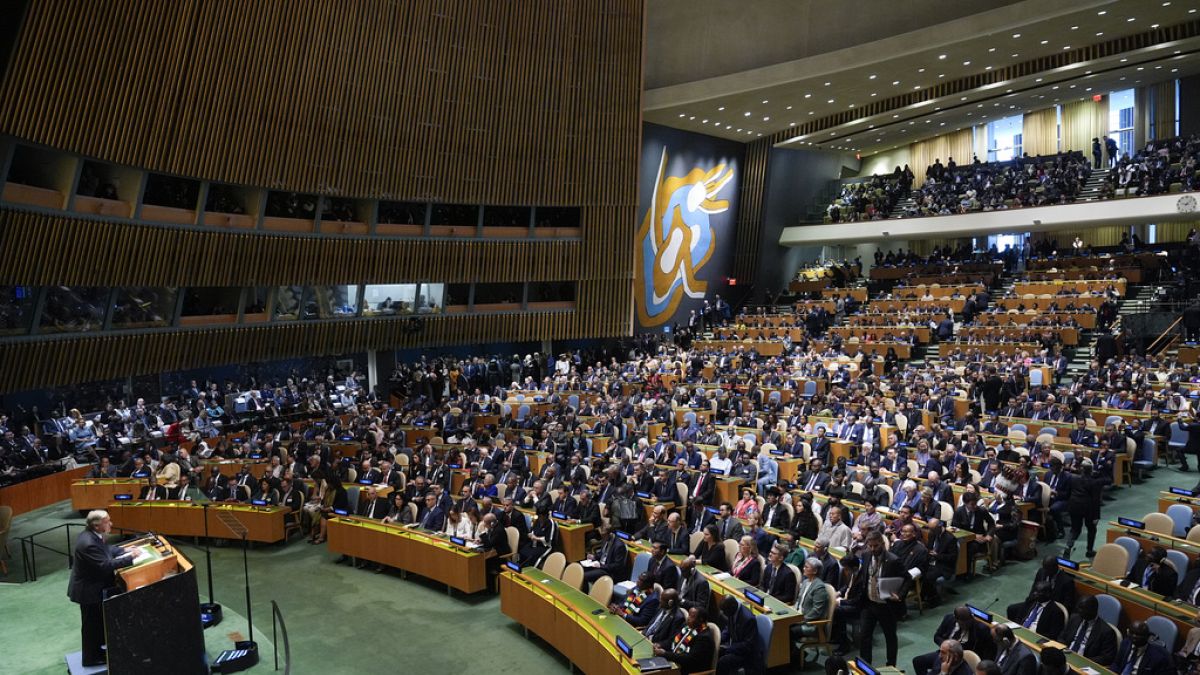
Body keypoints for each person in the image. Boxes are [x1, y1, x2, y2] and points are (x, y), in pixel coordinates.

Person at [67, 510, 137, 667]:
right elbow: (105, 566)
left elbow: (106, 550)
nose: (111, 524)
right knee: (91, 626)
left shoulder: (93, 536)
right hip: (88, 591)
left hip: (93, 587)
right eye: (107, 521)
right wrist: (131, 557)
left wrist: (125, 550)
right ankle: (90, 659)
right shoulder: (89, 543)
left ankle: (97, 652)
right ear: (97, 525)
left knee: (97, 623)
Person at [860, 530, 905, 666]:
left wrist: (901, 594)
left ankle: (891, 666)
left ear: (882, 544)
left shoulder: (893, 560)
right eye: (870, 546)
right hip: (869, 603)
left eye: (876, 546)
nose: (873, 549)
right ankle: (866, 666)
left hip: (886, 606)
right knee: (864, 637)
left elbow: (907, 578)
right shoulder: (866, 555)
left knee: (890, 637)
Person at [1057, 595, 1117, 666]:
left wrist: (1084, 661)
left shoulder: (1106, 631)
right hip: (1065, 657)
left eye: (1082, 608)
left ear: (1093, 610)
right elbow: (1061, 636)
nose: (1078, 610)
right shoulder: (1074, 618)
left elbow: (1106, 658)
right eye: (1078, 607)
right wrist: (1063, 648)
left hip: (1084, 664)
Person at [654, 606, 715, 675]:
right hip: (674, 661)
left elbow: (689, 659)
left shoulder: (704, 638)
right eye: (689, 615)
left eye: (692, 617)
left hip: (686, 670)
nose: (688, 618)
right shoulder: (686, 626)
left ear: (700, 619)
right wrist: (660, 645)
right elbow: (672, 640)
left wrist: (665, 654)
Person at [1064, 458, 1103, 558]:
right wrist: (1096, 516)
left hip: (1074, 506)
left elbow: (1068, 493)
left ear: (1081, 469)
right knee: (1091, 529)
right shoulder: (1095, 482)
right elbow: (1096, 500)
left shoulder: (1073, 478)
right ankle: (1089, 551)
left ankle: (1068, 546)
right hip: (1088, 508)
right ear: (1091, 470)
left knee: (1075, 529)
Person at [716, 596, 762, 675]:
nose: (723, 613)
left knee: (723, 662)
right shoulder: (732, 611)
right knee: (716, 652)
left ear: (733, 607)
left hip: (746, 654)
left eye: (725, 610)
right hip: (736, 646)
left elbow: (747, 645)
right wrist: (719, 639)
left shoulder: (748, 619)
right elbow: (728, 628)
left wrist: (728, 648)